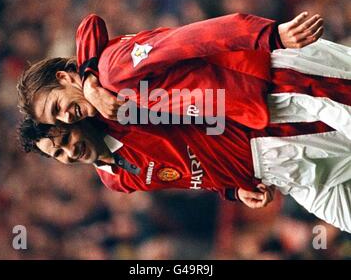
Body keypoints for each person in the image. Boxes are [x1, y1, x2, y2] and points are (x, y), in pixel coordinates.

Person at [19, 115, 351, 233]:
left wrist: (88, 78)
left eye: (64, 139)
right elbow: (190, 175)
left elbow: (91, 28)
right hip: (273, 177)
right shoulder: (114, 180)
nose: (69, 152)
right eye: (58, 154)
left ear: (74, 120)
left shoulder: (121, 113)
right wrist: (233, 192)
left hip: (267, 142)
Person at [17, 12, 327, 130]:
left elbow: (191, 39)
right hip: (266, 100)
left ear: (63, 78)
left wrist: (269, 36)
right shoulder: (113, 100)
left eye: (56, 106)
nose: (65, 117)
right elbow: (90, 25)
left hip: (274, 74)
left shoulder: (113, 71)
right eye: (55, 119)